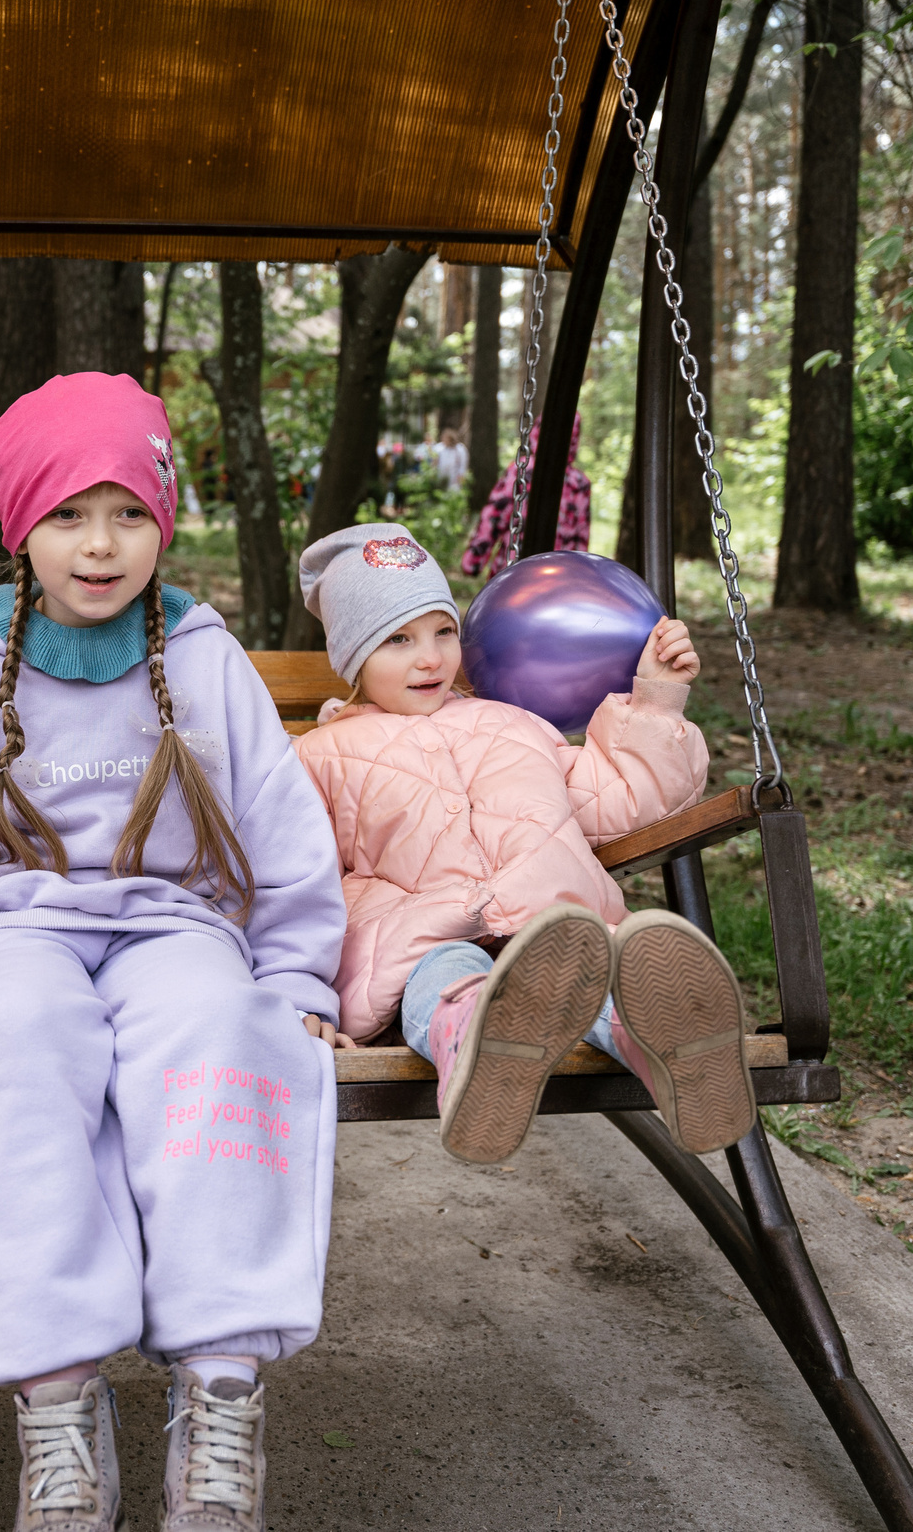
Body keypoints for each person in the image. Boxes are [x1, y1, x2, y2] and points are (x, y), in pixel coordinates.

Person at [0, 372, 348, 1532]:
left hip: (173, 927)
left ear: (164, 521)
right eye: (65, 515)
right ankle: (57, 1401)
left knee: (225, 1033)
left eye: (128, 515)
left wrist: (296, 973)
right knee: (3, 1043)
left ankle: (219, 1390)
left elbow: (282, 830)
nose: (99, 547)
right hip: (3, 930)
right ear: (19, 529)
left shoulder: (205, 664)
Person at [292, 521, 755, 1165]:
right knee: (450, 981)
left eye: (443, 631)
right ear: (352, 657)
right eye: (398, 640)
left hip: (558, 930)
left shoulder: (513, 723)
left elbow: (622, 798)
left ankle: (675, 1049)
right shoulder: (320, 757)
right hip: (426, 941)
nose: (429, 657)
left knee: (600, 970)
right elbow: (290, 881)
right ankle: (481, 1051)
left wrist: (656, 696)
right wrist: (301, 998)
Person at [460, 413, 592, 575]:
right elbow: (581, 538)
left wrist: (474, 560)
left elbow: (494, 516)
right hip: (558, 576)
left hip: (514, 571)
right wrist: (579, 576)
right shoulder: (579, 482)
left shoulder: (521, 470)